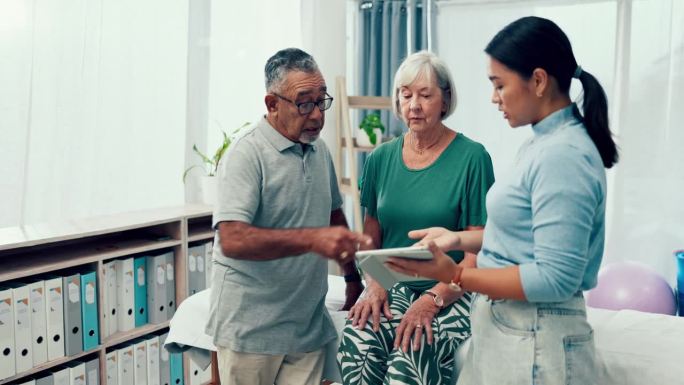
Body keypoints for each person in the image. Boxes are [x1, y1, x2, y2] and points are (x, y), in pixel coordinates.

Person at [386, 16, 619, 385]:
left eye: (500, 85)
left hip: (535, 339)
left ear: (538, 81)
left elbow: (555, 277)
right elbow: (522, 234)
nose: (494, 98)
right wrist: (458, 239)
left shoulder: (563, 155)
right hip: (511, 331)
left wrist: (456, 274)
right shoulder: (541, 144)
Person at [206, 47, 370, 385]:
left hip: (306, 326)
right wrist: (312, 239)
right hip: (252, 330)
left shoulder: (318, 150)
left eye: (321, 100)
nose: (316, 115)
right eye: (304, 102)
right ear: (272, 104)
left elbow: (333, 216)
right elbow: (233, 239)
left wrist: (353, 278)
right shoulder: (247, 154)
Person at [337, 51, 495, 385]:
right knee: (357, 344)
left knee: (410, 357)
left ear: (445, 99)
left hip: (452, 290)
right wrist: (375, 283)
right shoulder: (380, 158)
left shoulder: (473, 158)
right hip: (392, 285)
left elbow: (475, 255)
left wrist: (431, 300)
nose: (414, 105)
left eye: (425, 95)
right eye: (406, 95)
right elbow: (370, 239)